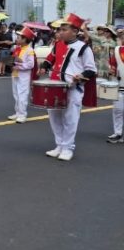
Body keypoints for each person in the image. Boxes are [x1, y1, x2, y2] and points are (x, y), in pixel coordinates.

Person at [39, 13, 96, 162]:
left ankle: (68, 147)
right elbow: (50, 59)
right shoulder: (58, 44)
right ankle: (59, 145)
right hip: (55, 86)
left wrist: (80, 76)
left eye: (64, 29)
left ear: (75, 31)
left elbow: (91, 69)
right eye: (60, 30)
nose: (60, 32)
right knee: (54, 117)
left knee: (70, 119)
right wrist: (44, 66)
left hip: (73, 88)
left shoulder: (84, 48)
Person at [7, 27, 37, 124]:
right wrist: (11, 62)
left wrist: (19, 66)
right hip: (15, 74)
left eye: (19, 37)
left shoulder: (29, 50)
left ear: (25, 39)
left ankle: (22, 114)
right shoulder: (17, 48)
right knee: (16, 94)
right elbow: (14, 60)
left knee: (22, 94)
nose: (17, 39)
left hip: (23, 75)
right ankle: (17, 112)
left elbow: (31, 64)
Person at [107, 31, 124, 143]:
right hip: (120, 84)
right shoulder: (118, 50)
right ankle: (118, 133)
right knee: (118, 110)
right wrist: (112, 69)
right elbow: (112, 64)